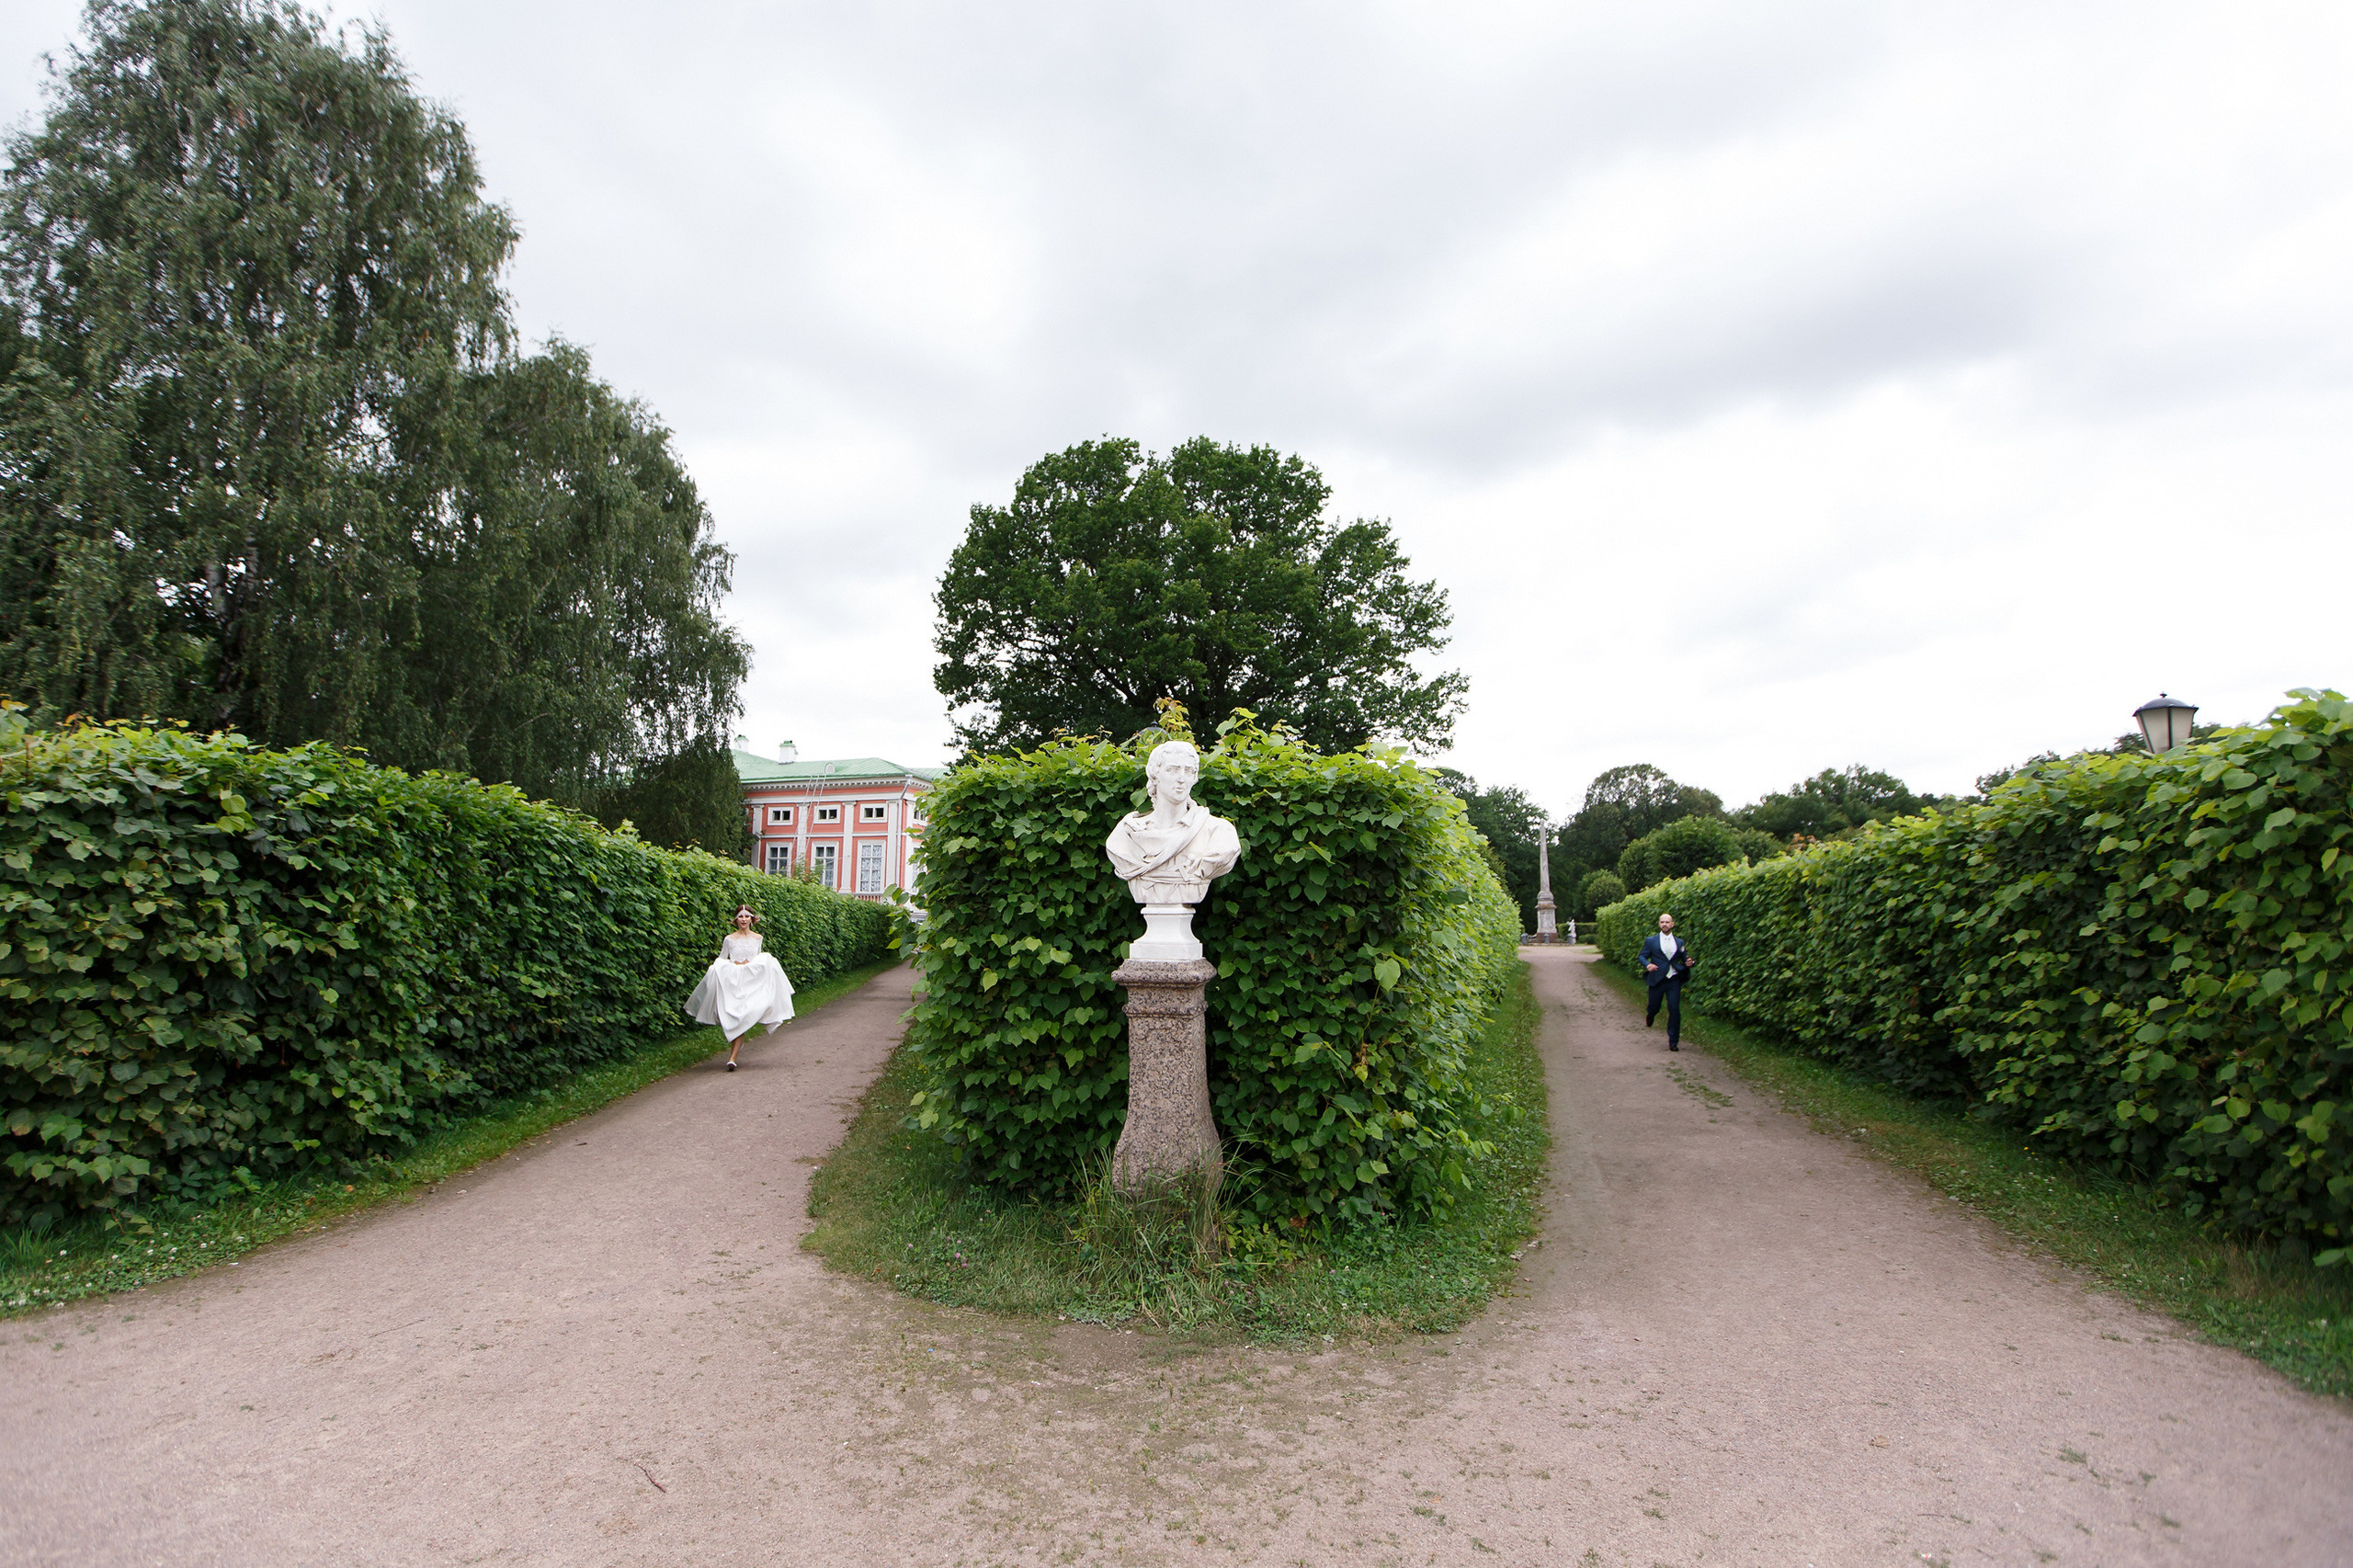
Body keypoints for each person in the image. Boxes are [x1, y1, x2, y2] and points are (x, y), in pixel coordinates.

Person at [685, 905, 794, 1070]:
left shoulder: (758, 938)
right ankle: (735, 1049)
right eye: (740, 916)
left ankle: (732, 1058)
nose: (744, 919)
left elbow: (758, 959)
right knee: (734, 1015)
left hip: (751, 983)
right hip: (733, 982)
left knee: (744, 1015)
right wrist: (728, 966)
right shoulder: (729, 939)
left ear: (752, 919)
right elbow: (722, 959)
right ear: (736, 919)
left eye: (747, 916)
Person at [1639, 911, 1693, 1051]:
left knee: (1674, 1009)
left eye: (1667, 922)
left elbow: (1685, 958)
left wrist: (1690, 963)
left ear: (1672, 924)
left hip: (1673, 980)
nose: (1665, 924)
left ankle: (1673, 1041)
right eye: (1662, 922)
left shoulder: (1679, 942)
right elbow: (1642, 956)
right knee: (1654, 1006)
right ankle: (1651, 1014)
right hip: (1657, 979)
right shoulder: (1651, 941)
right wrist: (1648, 965)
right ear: (1659, 924)